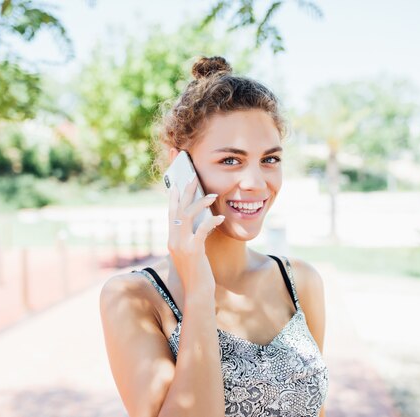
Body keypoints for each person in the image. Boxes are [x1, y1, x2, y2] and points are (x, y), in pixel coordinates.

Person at [100, 56, 329, 417]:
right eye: (231, 161)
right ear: (182, 167)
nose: (256, 183)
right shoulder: (134, 299)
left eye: (269, 160)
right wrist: (200, 292)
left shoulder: (300, 281)